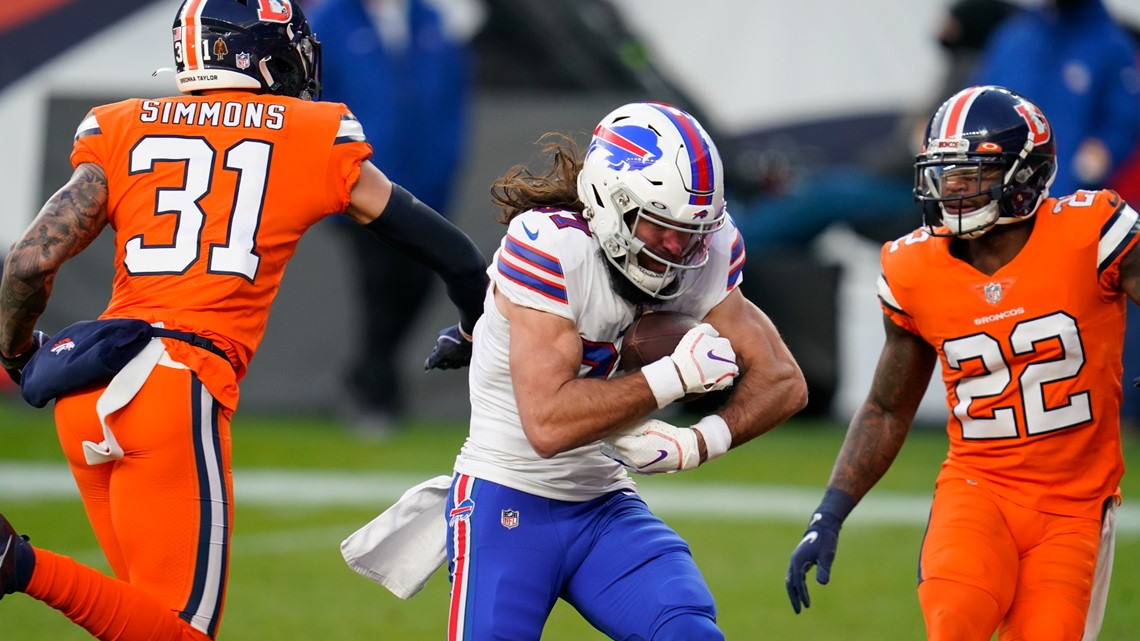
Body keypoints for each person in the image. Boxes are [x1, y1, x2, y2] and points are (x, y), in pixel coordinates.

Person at [0, 1, 488, 639]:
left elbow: (28, 262)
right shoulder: (309, 130)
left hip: (86, 385)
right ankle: (17, 563)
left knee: (139, 622)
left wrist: (15, 353)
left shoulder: (119, 126)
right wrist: (477, 327)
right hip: (175, 383)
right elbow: (450, 253)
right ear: (256, 50)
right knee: (182, 633)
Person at [785, 85, 1140, 641]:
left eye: (969, 174)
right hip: (980, 488)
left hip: (1076, 508)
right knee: (955, 620)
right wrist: (828, 512)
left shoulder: (1090, 230)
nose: (950, 190)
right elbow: (884, 409)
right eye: (942, 173)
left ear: (1024, 176)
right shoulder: (913, 268)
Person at [444, 102, 808, 640]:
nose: (677, 248)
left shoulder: (703, 249)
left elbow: (783, 380)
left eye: (691, 232)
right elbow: (547, 424)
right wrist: (673, 378)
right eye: (661, 226)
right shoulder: (552, 246)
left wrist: (698, 443)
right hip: (508, 497)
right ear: (611, 203)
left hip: (602, 501)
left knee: (688, 631)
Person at [307, 0, 482, 436]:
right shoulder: (331, 19)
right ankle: (377, 395)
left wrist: (447, 164)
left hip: (424, 183)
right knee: (378, 287)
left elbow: (452, 97)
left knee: (419, 284)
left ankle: (367, 375)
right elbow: (316, 96)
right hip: (360, 182)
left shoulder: (430, 20)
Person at [969, 0, 1140, 197]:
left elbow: (1124, 121)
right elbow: (977, 100)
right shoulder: (1013, 36)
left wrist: (1105, 151)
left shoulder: (1114, 47)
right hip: (997, 186)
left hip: (1068, 194)